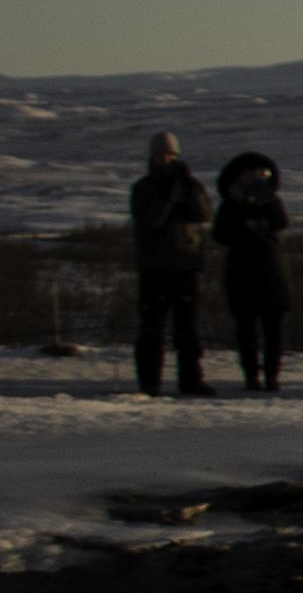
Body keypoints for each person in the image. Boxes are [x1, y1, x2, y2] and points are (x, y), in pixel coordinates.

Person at [124, 132, 216, 396]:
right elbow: (148, 223)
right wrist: (166, 199)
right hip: (154, 267)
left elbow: (203, 214)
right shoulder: (142, 189)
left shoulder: (189, 185)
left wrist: (189, 190)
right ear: (151, 157)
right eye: (160, 156)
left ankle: (191, 380)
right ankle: (150, 382)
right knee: (152, 328)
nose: (164, 160)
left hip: (185, 265)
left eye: (170, 156)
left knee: (188, 328)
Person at [215, 148, 294, 393]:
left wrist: (264, 205)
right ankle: (251, 375)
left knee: (274, 330)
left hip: (271, 272)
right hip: (242, 272)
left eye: (261, 174)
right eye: (249, 174)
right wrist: (246, 223)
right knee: (246, 330)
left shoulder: (271, 200)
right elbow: (220, 234)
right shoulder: (230, 204)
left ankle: (272, 376)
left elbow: (281, 222)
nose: (256, 178)